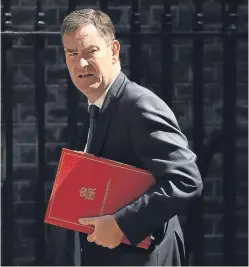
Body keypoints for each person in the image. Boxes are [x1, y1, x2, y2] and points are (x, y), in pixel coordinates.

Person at [46, 8, 203, 266]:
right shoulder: (100, 105)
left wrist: (122, 225)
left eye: (90, 51)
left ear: (114, 50)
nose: (80, 63)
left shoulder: (139, 105)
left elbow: (186, 180)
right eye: (72, 53)